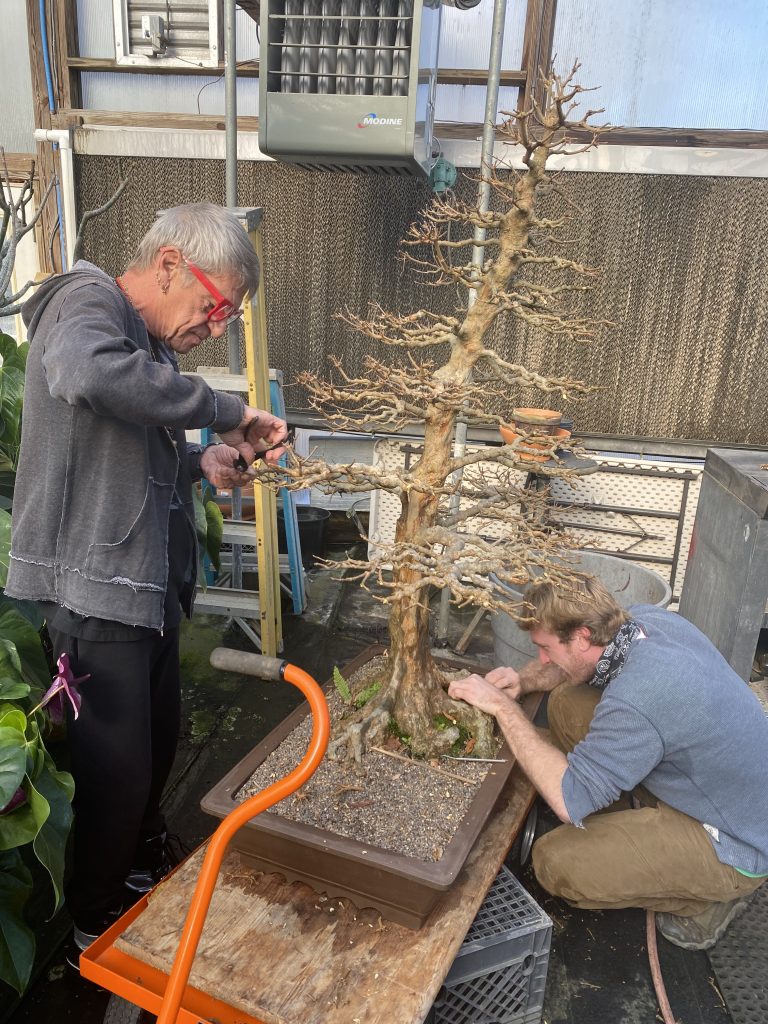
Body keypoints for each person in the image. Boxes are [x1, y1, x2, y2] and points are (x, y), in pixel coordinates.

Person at [6, 203, 288, 955]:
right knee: (116, 771)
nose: (217, 325)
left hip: (144, 593)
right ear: (168, 264)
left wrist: (202, 461)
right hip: (94, 593)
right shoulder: (84, 302)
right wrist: (223, 409)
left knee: (159, 745)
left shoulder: (149, 349)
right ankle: (96, 925)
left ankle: (137, 865)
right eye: (217, 304)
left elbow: (122, 453)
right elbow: (84, 375)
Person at [448, 576, 768, 951]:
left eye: (546, 648)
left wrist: (503, 708)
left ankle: (708, 900)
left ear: (582, 636)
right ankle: (621, 821)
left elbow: (568, 801)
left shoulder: (639, 697)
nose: (541, 659)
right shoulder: (643, 623)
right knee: (567, 699)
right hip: (716, 787)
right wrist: (520, 681)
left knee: (556, 863)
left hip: (732, 841)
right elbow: (571, 669)